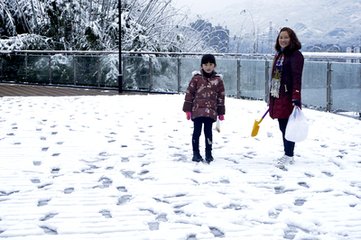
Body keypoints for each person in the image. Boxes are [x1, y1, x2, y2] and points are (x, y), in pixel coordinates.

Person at [268, 27, 304, 169]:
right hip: (278, 95)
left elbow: (297, 78)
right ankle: (287, 153)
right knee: (282, 126)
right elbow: (275, 78)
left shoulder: (296, 56)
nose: (283, 40)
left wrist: (296, 97)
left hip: (288, 96)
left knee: (289, 127)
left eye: (286, 37)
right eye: (281, 37)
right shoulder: (279, 55)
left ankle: (289, 154)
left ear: (292, 39)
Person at [182, 54, 225, 163]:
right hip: (197, 111)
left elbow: (221, 96)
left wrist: (221, 112)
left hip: (210, 112)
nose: (208, 67)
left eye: (211, 64)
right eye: (205, 64)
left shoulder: (218, 80)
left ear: (214, 65)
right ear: (201, 66)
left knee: (208, 132)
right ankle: (195, 153)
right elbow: (189, 93)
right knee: (197, 132)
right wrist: (188, 109)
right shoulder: (196, 79)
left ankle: (208, 153)